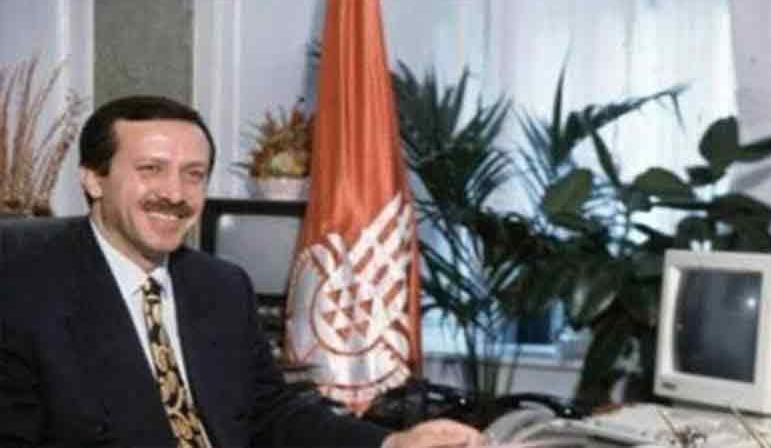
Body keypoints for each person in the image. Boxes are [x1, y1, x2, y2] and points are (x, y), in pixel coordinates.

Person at [0, 95, 483, 447]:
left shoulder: (221, 286)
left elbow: (270, 412)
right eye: (151, 170)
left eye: (193, 174)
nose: (175, 193)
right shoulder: (26, 290)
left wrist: (391, 443)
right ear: (93, 179)